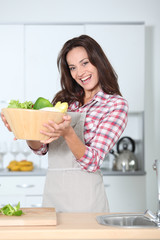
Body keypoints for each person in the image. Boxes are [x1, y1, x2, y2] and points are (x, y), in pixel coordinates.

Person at [1, 35, 128, 213]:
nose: (80, 73)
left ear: (98, 62)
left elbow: (92, 162)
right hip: (53, 193)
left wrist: (68, 133)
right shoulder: (65, 100)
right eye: (73, 68)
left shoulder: (115, 105)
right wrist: (23, 127)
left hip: (87, 199)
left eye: (85, 63)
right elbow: (40, 148)